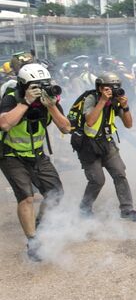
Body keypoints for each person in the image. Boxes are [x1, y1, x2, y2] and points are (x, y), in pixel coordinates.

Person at [0, 64, 70, 261]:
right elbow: (4, 124)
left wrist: (51, 106)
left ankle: (39, 223)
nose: (40, 89)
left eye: (43, 84)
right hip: (11, 154)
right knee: (26, 197)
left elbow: (66, 128)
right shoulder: (12, 97)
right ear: (23, 86)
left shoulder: (49, 98)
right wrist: (26, 102)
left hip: (37, 154)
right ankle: (32, 241)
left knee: (56, 194)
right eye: (34, 86)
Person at [76, 72, 136, 221]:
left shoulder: (114, 102)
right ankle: (84, 208)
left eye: (115, 88)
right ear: (100, 88)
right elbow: (90, 121)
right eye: (109, 88)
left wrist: (125, 107)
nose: (112, 91)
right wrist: (102, 101)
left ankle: (127, 209)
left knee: (120, 173)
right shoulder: (91, 98)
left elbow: (128, 124)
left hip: (107, 143)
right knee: (97, 180)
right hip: (88, 145)